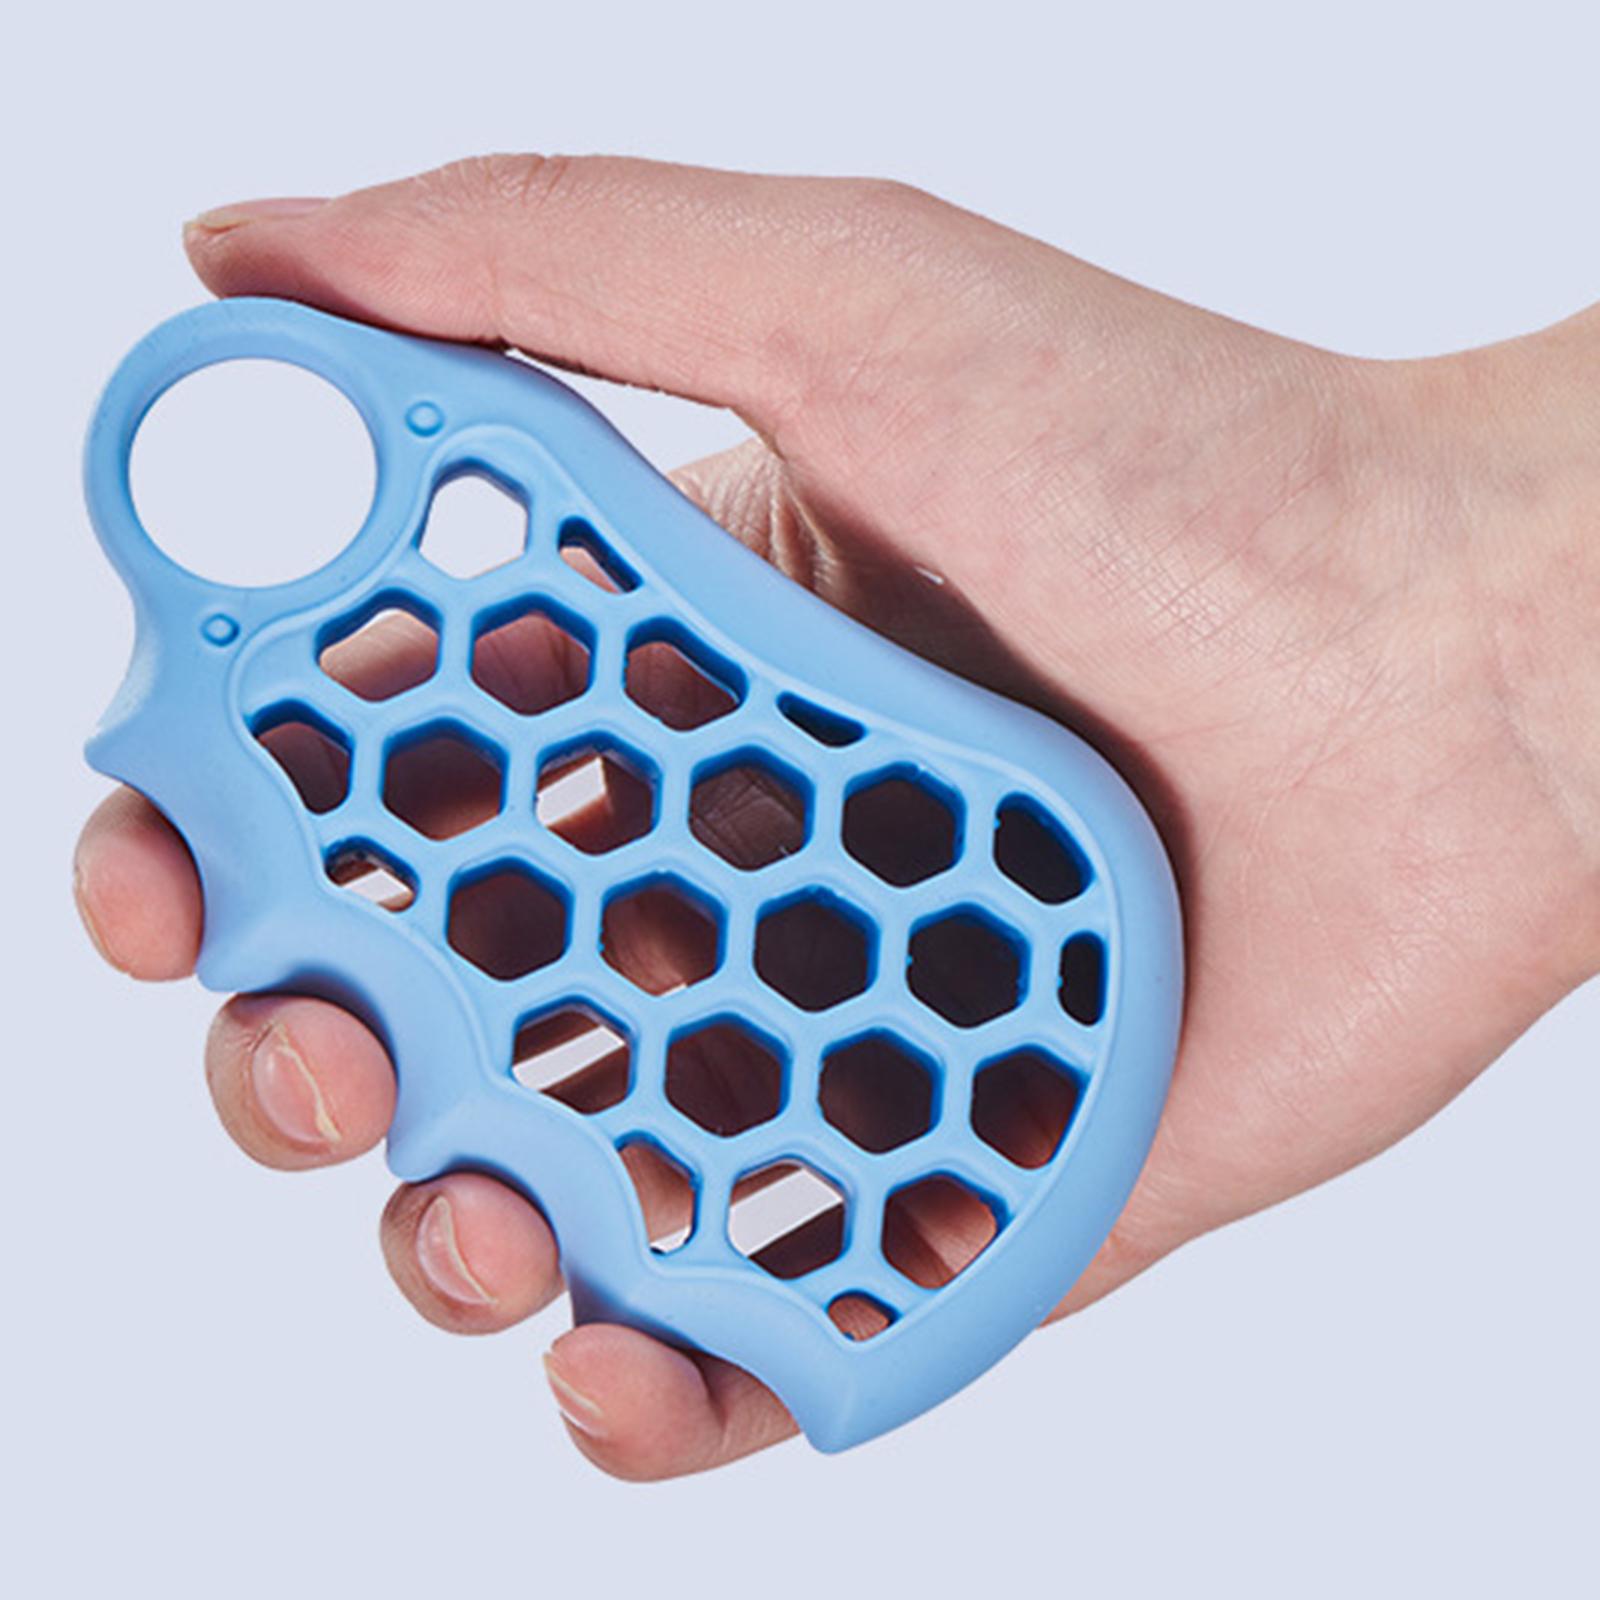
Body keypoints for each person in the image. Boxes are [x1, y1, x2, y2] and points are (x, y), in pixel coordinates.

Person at [71, 155, 1600, 1481]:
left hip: (1044, 916)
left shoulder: (465, 492)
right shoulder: (465, 493)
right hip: (1026, 941)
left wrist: (1475, 669)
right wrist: (1480, 673)